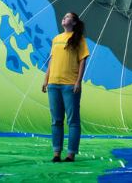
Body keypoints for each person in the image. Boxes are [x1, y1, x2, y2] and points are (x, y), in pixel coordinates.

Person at [41, 12, 89, 163]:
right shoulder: (56, 39)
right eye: (64, 16)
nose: (64, 18)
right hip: (53, 84)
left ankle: (70, 154)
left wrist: (78, 81)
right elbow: (52, 60)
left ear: (74, 23)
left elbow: (82, 61)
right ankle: (56, 153)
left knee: (73, 121)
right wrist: (45, 80)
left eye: (68, 17)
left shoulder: (79, 39)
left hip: (70, 85)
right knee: (56, 120)